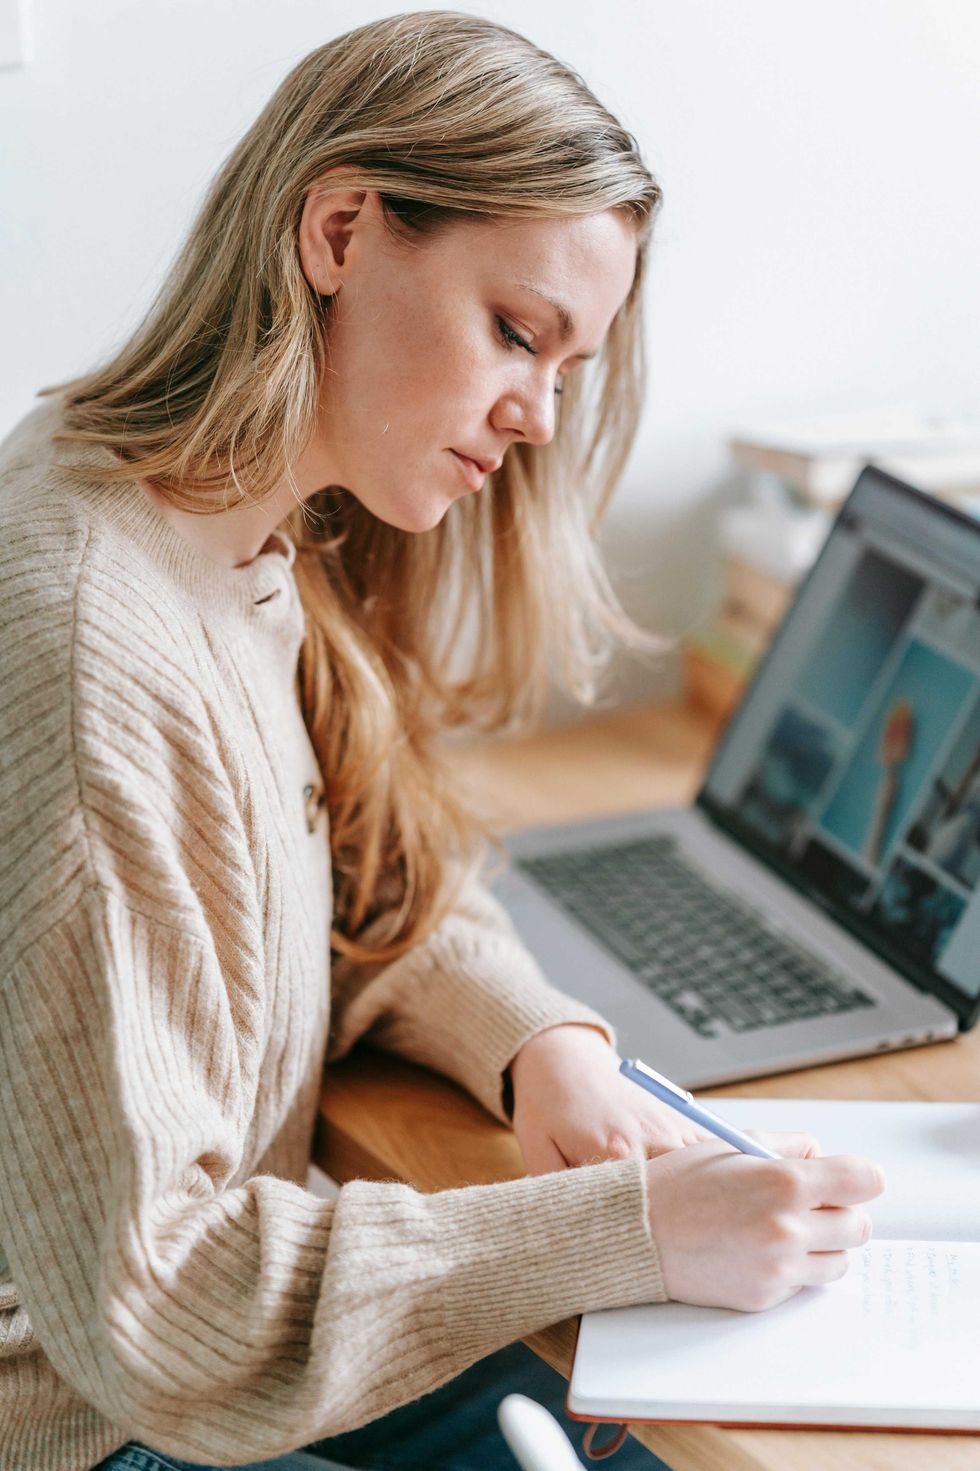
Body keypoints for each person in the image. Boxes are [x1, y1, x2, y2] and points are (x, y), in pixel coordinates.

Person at [0, 12, 885, 1471]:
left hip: (189, 1357)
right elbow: (150, 1304)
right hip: (101, 1421)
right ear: (340, 230)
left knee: (648, 1413)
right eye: (518, 332)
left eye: (568, 365)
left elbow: (351, 875)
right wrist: (629, 1227)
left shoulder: (225, 527)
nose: (538, 414)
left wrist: (537, 1044)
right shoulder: (98, 644)